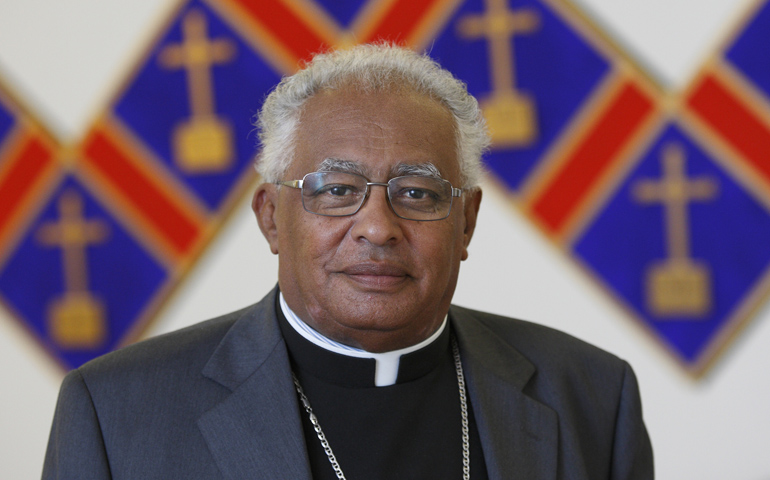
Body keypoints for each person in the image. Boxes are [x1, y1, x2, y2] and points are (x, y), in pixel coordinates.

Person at [42, 43, 653, 479]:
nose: (378, 228)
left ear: (466, 221)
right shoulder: (115, 413)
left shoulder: (592, 395)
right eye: (336, 190)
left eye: (417, 192)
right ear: (271, 217)